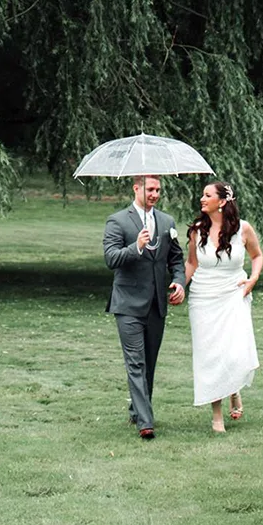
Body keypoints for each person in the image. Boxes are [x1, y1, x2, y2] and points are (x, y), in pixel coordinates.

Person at [103, 174, 186, 440]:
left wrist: (179, 282)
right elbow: (111, 258)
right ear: (136, 188)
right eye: (150, 189)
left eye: (158, 190)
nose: (155, 194)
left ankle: (135, 410)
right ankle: (145, 422)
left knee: (149, 363)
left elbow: (176, 258)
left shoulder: (166, 221)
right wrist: (135, 247)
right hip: (127, 304)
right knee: (136, 363)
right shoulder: (118, 220)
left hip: (156, 304)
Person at [185, 180, 263, 433]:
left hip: (233, 294)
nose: (201, 198)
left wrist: (253, 279)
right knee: (210, 354)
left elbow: (257, 256)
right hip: (203, 297)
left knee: (232, 352)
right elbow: (191, 264)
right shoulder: (197, 230)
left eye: (207, 195)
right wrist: (178, 285)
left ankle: (234, 389)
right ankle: (216, 415)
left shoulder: (243, 229)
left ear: (222, 201)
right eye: (202, 195)